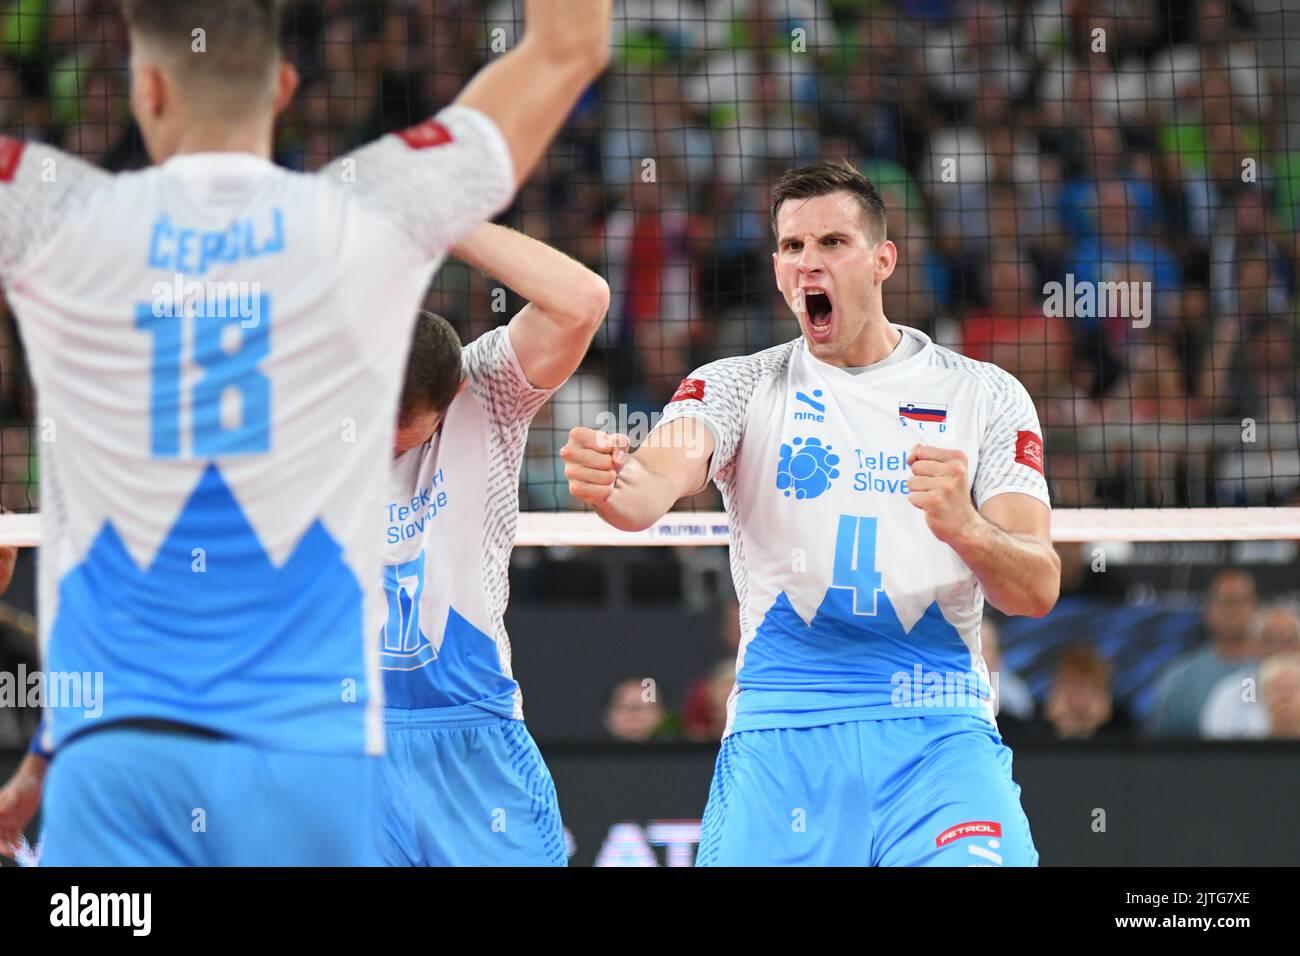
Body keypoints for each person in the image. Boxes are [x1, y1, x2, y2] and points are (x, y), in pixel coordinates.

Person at [0, 0, 611, 866]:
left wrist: (41, 768)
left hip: (187, 737)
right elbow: (571, 43)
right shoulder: (355, 226)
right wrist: (425, 212)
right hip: (312, 744)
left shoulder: (63, 223)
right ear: (286, 87)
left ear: (144, 89)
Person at [562, 160, 1059, 866]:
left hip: (937, 731)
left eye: (832, 244)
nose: (808, 264)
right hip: (781, 732)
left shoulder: (984, 394)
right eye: (792, 248)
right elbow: (648, 489)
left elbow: (1035, 587)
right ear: (775, 267)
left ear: (882, 260)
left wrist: (966, 527)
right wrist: (611, 480)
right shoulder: (735, 385)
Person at [378, 223, 607, 866]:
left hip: (472, 730)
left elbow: (583, 299)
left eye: (407, 437)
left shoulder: (486, 393)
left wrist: (448, 220)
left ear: (449, 400)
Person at [1145, 569, 1257, 738]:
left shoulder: (1279, 673)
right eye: (1227, 601)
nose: (1234, 611)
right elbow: (1161, 751)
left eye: (1242, 601)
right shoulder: (1179, 680)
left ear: (1256, 608)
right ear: (1208, 611)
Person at [1201, 603, 1300, 739]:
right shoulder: (1232, 694)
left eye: (1290, 640)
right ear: (1254, 646)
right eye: (1269, 639)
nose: (1280, 648)